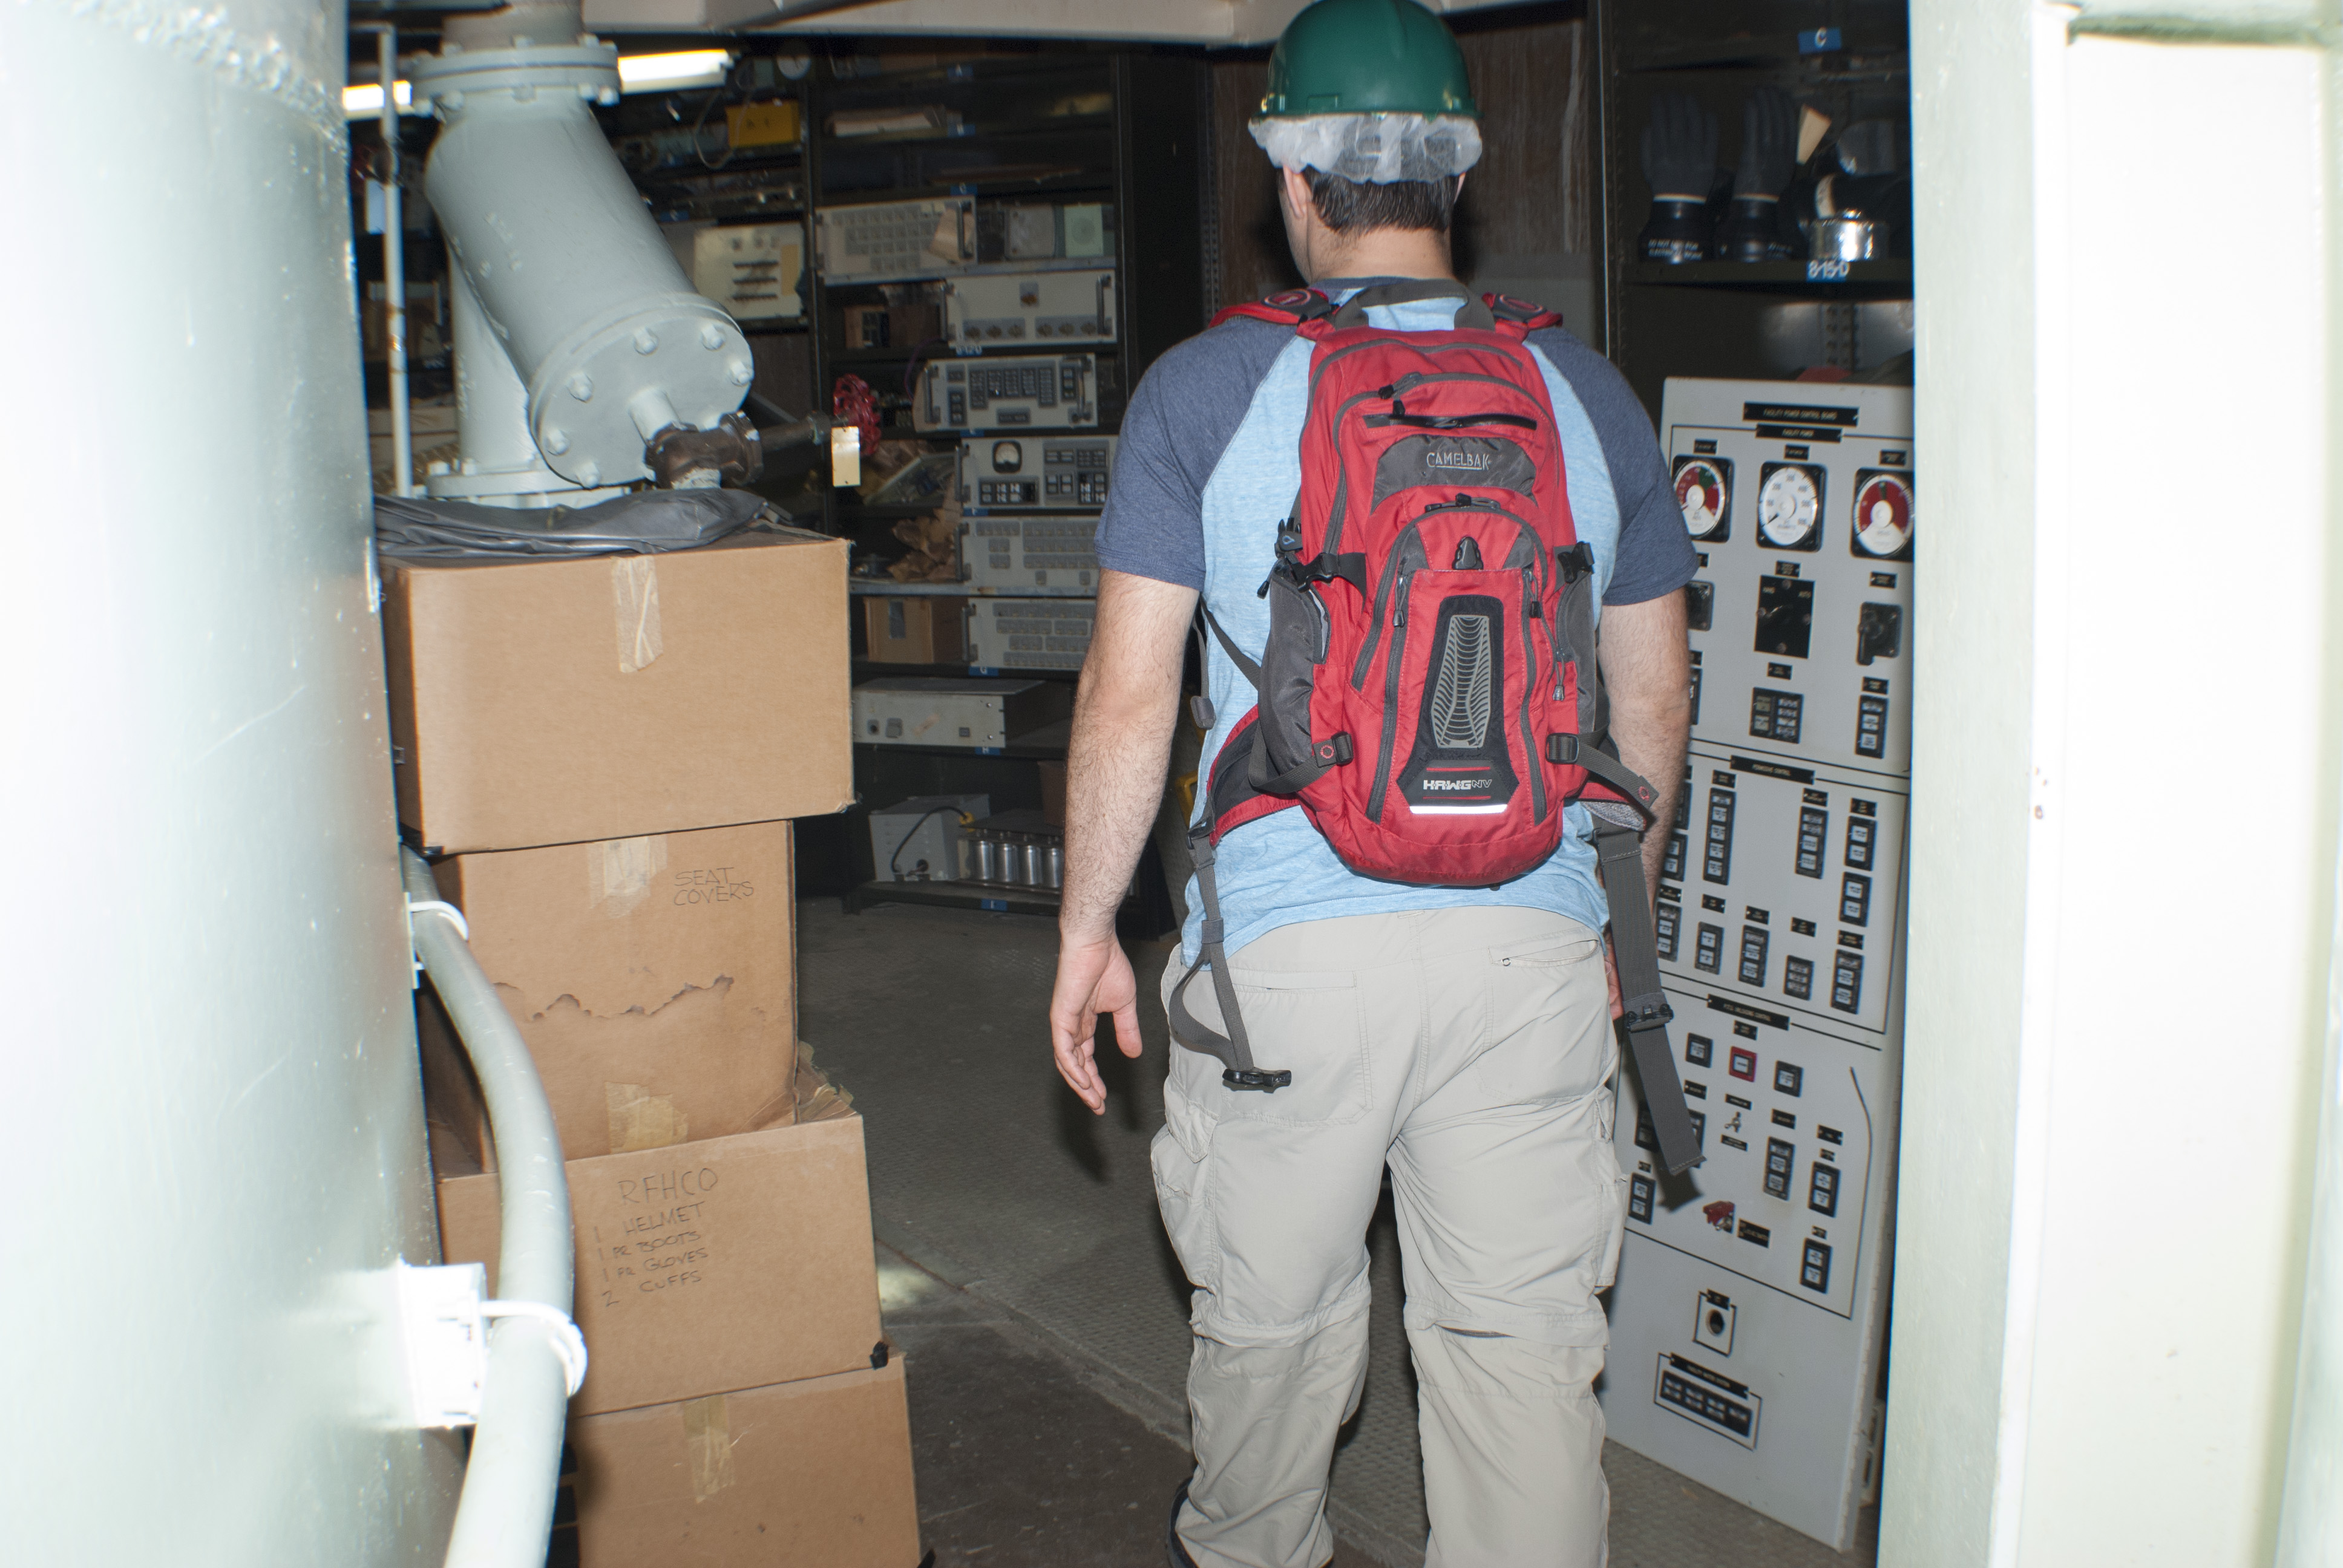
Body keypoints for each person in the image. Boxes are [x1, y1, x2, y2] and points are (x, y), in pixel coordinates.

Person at [1045, 2, 1695, 1563]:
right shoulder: (1587, 392)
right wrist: (1615, 925)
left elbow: (1129, 693)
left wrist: (1087, 931)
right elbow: (1655, 697)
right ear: (1458, 176)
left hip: (1286, 961)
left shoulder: (1206, 389)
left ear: (1290, 177)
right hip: (1531, 942)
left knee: (1272, 1348)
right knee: (1522, 1359)